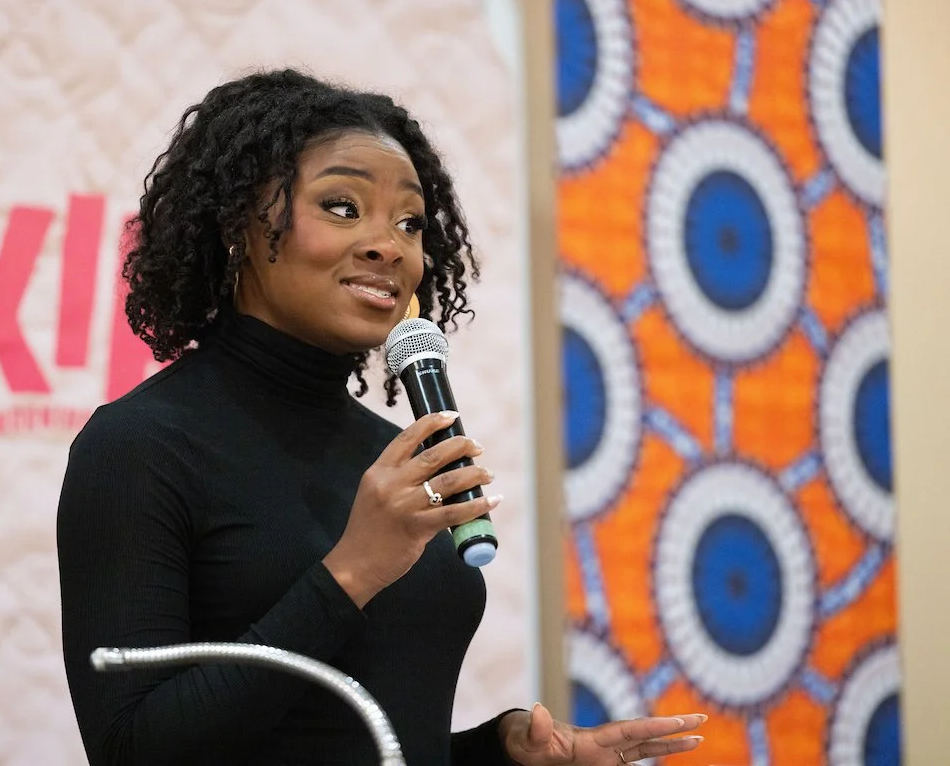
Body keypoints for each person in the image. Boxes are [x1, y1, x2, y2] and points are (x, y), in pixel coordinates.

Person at [56, 68, 707, 765]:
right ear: (236, 223)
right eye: (342, 206)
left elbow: (365, 736)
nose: (388, 246)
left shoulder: (396, 457)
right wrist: (351, 572)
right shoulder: (139, 446)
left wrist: (501, 754)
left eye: (410, 223)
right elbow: (132, 749)